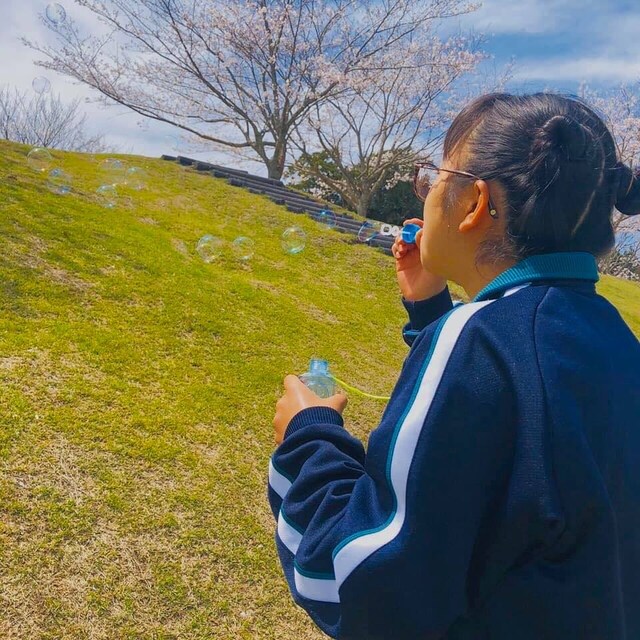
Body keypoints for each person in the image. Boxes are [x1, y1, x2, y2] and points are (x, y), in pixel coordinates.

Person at [268, 92, 640, 640]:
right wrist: (430, 310)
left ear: (474, 203)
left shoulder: (478, 340)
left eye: (434, 178)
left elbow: (362, 583)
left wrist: (308, 436)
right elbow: (513, 428)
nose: (424, 195)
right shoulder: (610, 335)